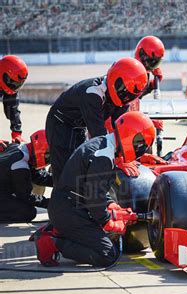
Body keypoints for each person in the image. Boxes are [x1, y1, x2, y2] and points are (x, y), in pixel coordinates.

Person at [33, 111, 156, 267]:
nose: (140, 150)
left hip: (70, 206)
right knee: (107, 255)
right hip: (69, 210)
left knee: (104, 236)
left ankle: (59, 230)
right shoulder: (103, 157)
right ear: (129, 137)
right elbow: (94, 198)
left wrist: (111, 205)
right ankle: (53, 242)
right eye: (139, 144)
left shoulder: (105, 145)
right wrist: (108, 222)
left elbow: (94, 189)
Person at [45, 57, 148, 183]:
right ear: (114, 79)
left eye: (130, 95)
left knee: (80, 167)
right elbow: (98, 134)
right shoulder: (93, 93)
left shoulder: (123, 100)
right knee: (66, 173)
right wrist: (118, 160)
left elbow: (120, 130)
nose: (126, 97)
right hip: (60, 124)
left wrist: (130, 157)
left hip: (79, 126)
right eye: (124, 91)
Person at [0, 130, 52, 223]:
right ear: (41, 149)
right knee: (28, 212)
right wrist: (52, 203)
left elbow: (39, 176)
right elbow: (26, 196)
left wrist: (62, 180)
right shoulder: (19, 165)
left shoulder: (18, 148)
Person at [134, 35, 165, 155]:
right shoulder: (134, 72)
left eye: (156, 62)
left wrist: (151, 85)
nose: (153, 64)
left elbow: (137, 94)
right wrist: (150, 121)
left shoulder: (142, 71)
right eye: (151, 61)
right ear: (142, 55)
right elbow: (129, 105)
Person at [0, 55, 28, 144]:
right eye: (13, 83)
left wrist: (17, 134)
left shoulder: (10, 87)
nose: (15, 86)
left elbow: (12, 109)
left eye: (18, 84)